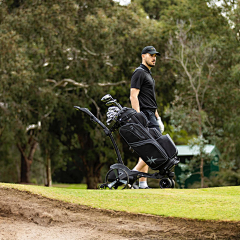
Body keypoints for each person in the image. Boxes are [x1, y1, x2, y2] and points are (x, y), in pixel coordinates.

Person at [130, 46, 164, 189]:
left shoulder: (148, 74)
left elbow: (150, 100)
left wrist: (158, 118)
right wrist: (138, 116)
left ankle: (142, 183)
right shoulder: (139, 73)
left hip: (151, 114)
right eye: (151, 55)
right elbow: (133, 96)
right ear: (143, 56)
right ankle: (132, 174)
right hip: (144, 115)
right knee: (156, 147)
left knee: (146, 149)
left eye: (155, 55)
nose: (154, 58)